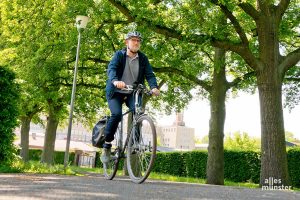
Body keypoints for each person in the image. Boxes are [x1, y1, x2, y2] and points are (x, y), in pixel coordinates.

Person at [101, 31, 160, 163]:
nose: (136, 42)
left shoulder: (143, 59)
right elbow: (112, 69)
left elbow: (149, 74)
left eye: (138, 40)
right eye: (133, 40)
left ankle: (135, 143)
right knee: (116, 115)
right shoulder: (119, 55)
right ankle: (106, 146)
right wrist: (115, 81)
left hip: (132, 92)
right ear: (127, 42)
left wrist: (154, 87)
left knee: (138, 112)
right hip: (116, 91)